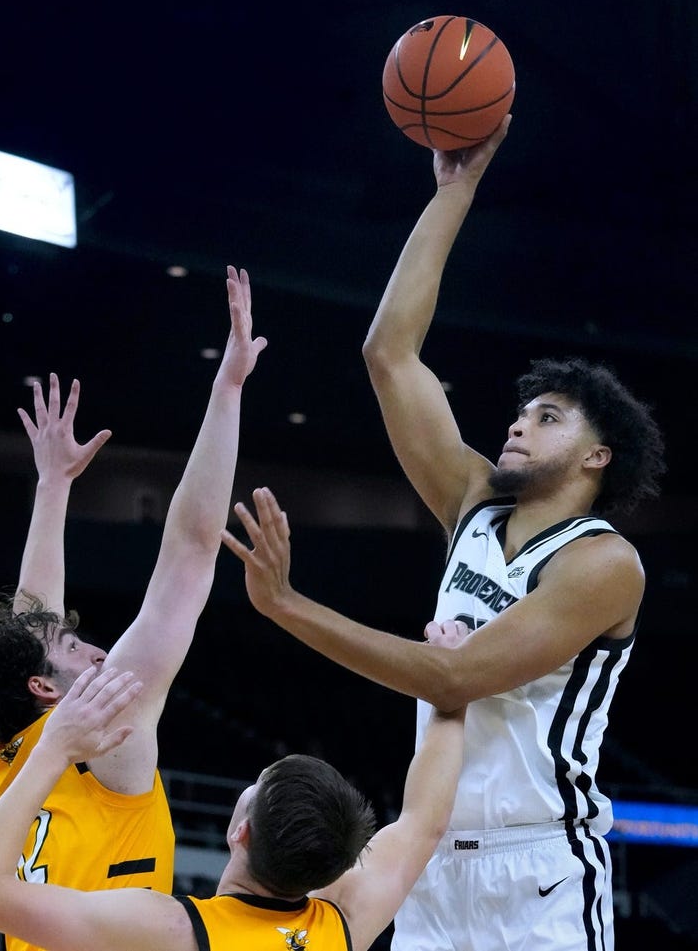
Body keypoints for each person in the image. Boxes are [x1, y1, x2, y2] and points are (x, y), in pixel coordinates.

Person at [221, 115, 667, 951]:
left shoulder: (606, 565)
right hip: (422, 860)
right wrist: (454, 189)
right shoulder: (472, 499)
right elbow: (389, 352)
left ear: (598, 455)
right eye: (522, 409)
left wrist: (287, 607)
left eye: (548, 416)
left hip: (536, 871)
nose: (518, 424)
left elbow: (454, 673)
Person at [0, 266, 265, 939]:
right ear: (44, 686)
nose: (94, 643)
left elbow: (31, 623)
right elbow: (191, 553)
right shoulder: (116, 730)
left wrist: (53, 487)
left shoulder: (1, 756)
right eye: (73, 645)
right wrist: (226, 391)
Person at [0, 664, 467, 951]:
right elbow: (425, 821)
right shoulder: (343, 924)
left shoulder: (171, 931)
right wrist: (452, 692)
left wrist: (54, 749)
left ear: (239, 832)